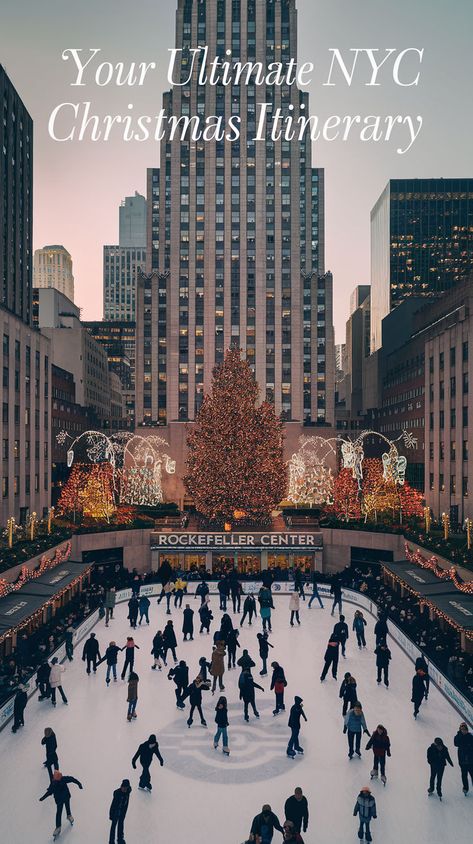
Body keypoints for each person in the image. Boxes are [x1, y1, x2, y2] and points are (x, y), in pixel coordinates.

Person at [39, 770, 83, 840]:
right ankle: (58, 826)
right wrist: (43, 797)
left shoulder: (63, 779)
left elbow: (72, 779)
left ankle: (69, 816)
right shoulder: (53, 784)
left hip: (66, 797)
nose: (53, 779)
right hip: (60, 800)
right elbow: (49, 792)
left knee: (67, 807)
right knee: (59, 812)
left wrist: (79, 784)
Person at [109, 779, 131, 844]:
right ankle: (111, 841)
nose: (124, 789)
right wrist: (111, 814)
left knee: (121, 825)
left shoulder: (128, 791)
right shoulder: (117, 793)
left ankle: (120, 839)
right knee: (113, 827)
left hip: (122, 812)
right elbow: (113, 805)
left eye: (126, 788)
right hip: (115, 812)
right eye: (123, 787)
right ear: (121, 786)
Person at [454, 722, 473, 795]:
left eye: (464, 729)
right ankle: (465, 788)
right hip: (462, 761)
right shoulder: (458, 736)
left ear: (467, 730)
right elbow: (455, 743)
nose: (463, 731)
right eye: (462, 729)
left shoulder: (470, 736)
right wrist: (459, 734)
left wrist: (469, 747)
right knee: (464, 775)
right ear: (460, 730)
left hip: (471, 760)